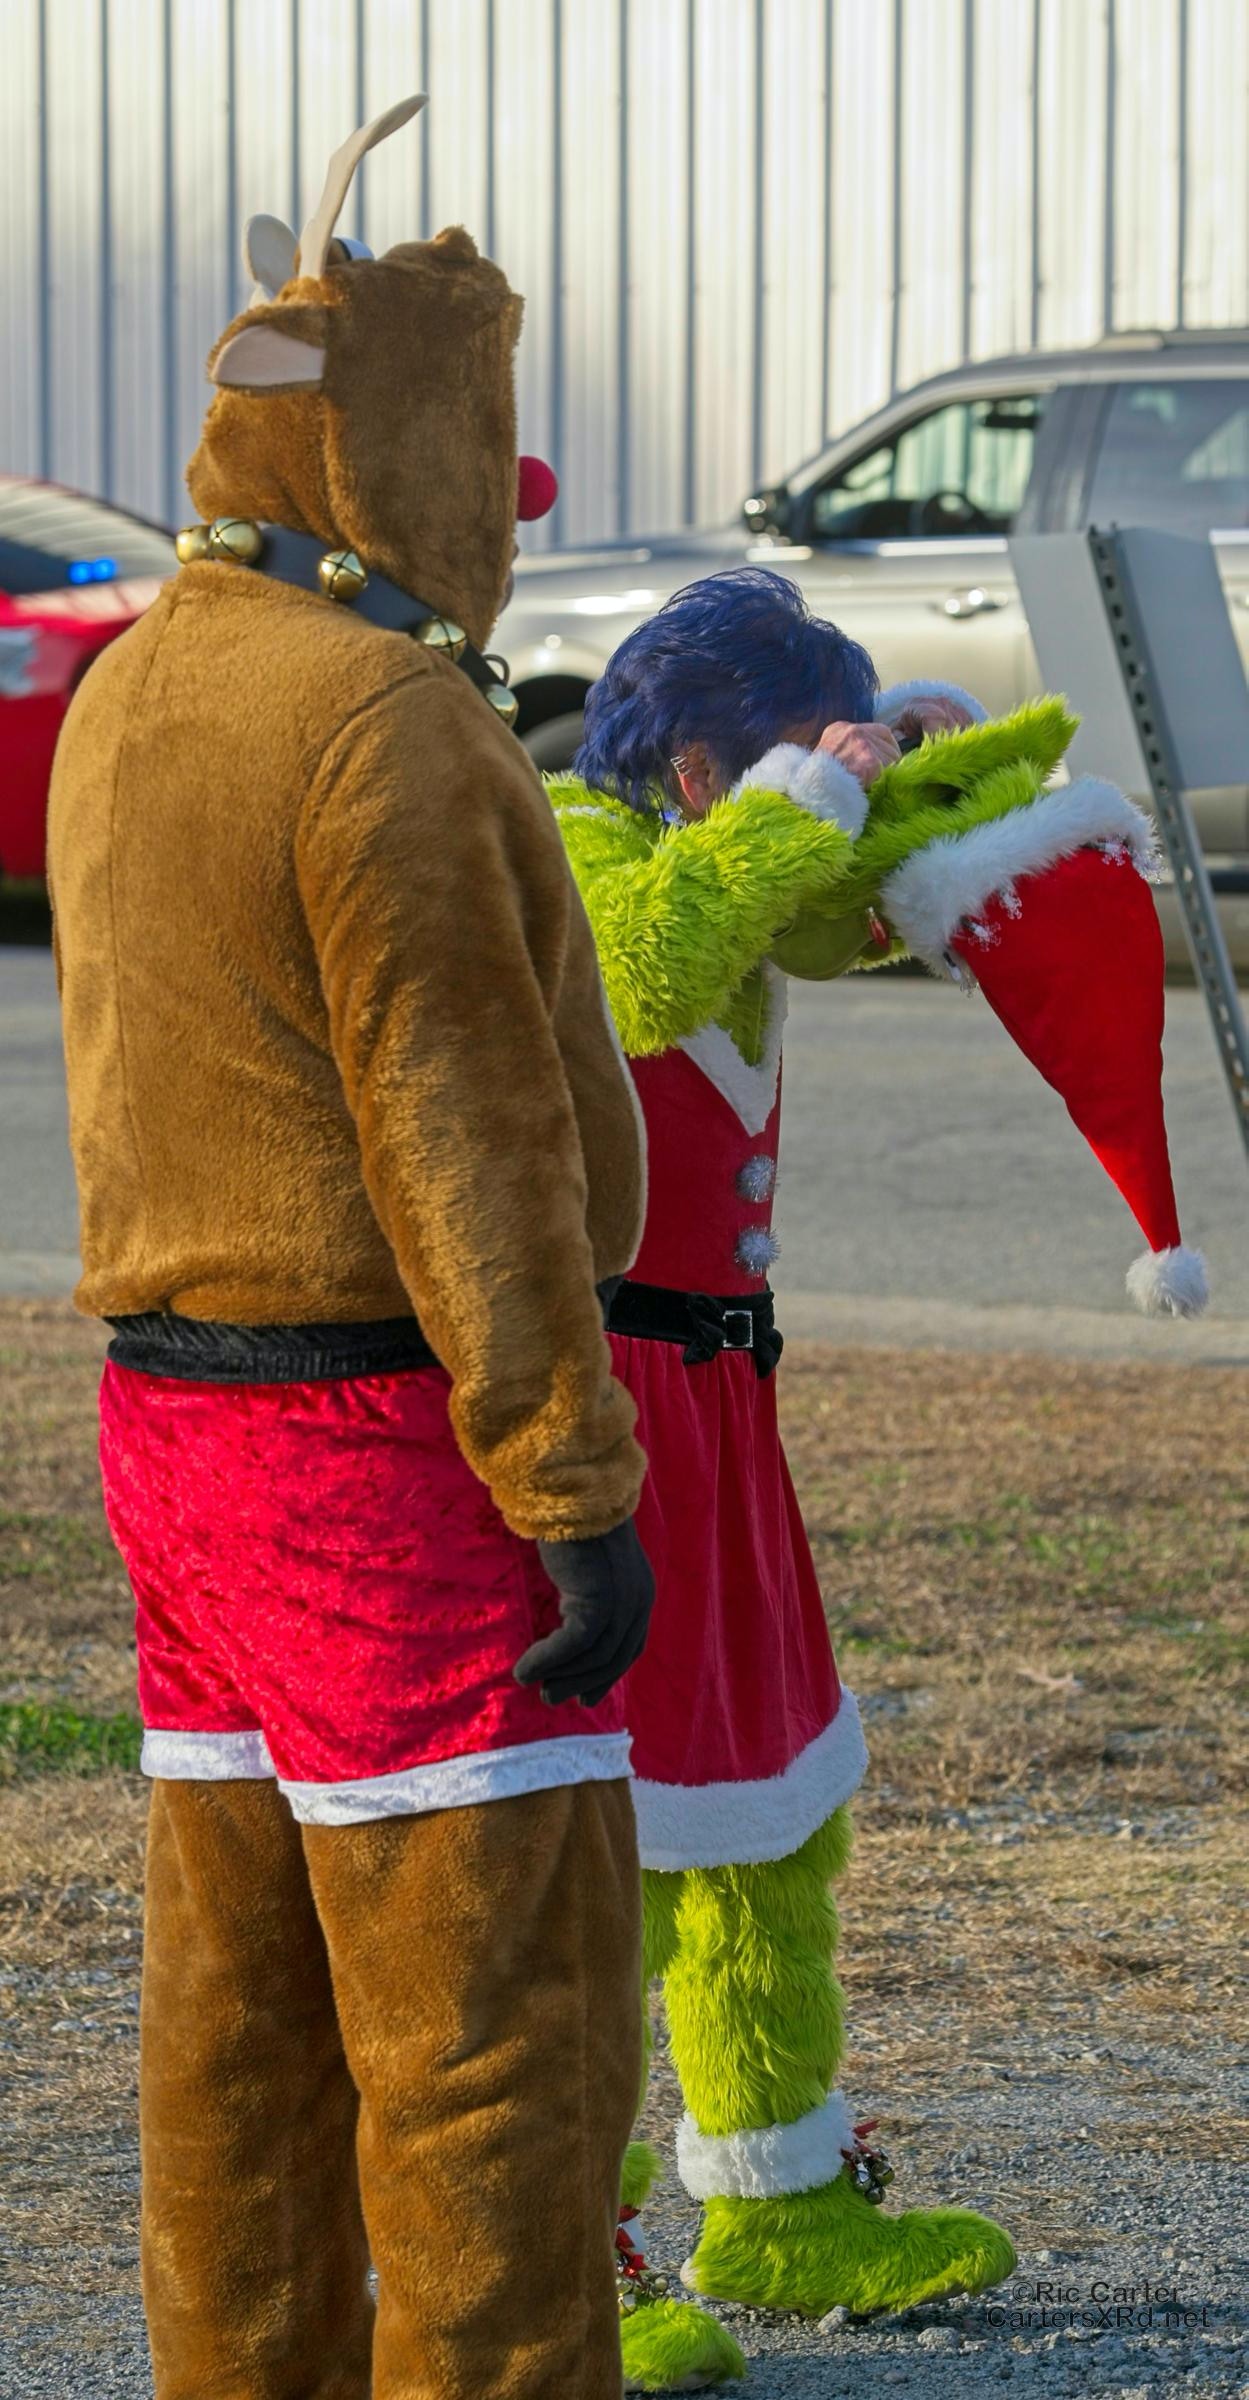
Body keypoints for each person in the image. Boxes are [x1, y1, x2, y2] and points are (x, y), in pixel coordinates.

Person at [46, 99, 654, 2400]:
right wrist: (570, 1481)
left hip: (176, 1438)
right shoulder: (383, 718)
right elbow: (465, 1142)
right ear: (401, 447)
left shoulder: (132, 683)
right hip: (385, 1454)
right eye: (485, 440)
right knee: (491, 2031)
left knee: (240, 2019)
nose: (508, 499)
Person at [548, 567, 1187, 2391]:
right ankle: (553, 2240)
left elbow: (853, 910)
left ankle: (779, 2200)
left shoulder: (733, 846)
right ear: (696, 769)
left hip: (722, 1406)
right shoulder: (581, 855)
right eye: (781, 762)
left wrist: (958, 789)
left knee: (760, 1813)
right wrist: (805, 797)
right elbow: (644, 969)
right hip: (606, 1403)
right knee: (608, 1848)